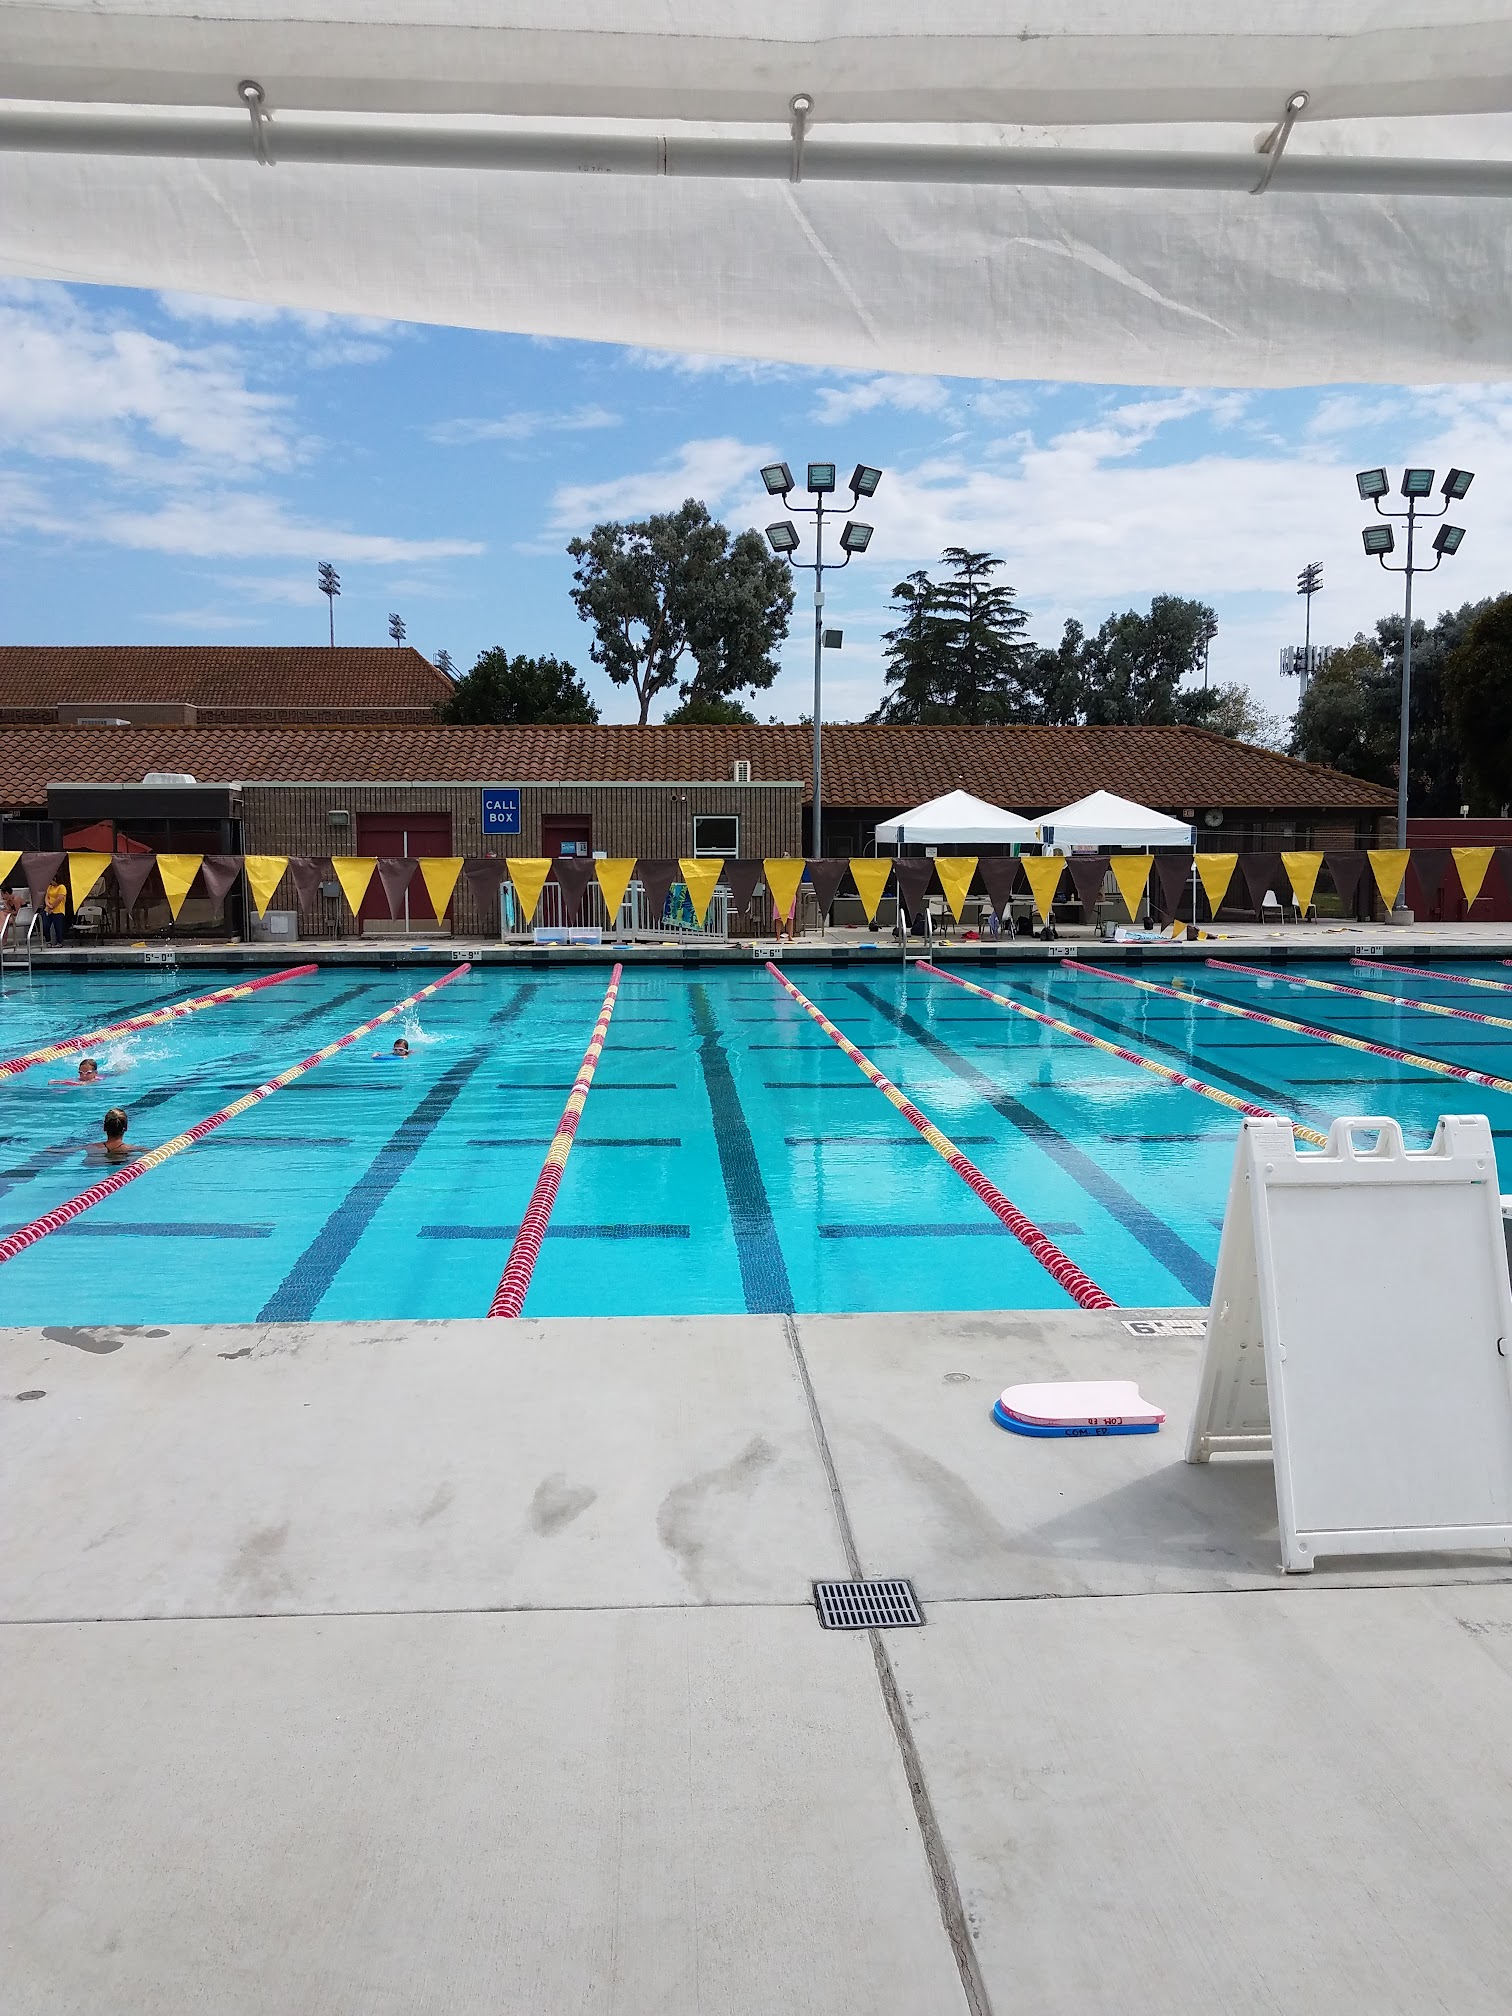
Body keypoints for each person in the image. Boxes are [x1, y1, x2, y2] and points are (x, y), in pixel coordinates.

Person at [43, 876, 68, 945]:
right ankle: (48, 941)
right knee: (45, 925)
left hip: (58, 910)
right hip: (48, 909)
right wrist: (48, 904)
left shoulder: (61, 887)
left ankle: (59, 942)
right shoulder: (49, 887)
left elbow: (59, 898)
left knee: (58, 927)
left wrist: (52, 906)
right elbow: (46, 897)